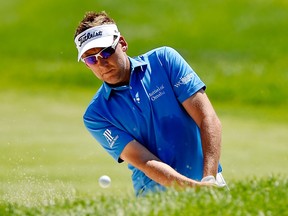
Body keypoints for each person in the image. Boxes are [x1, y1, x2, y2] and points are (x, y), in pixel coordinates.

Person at [74, 11, 227, 196]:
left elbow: (207, 118)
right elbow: (143, 160)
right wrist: (194, 189)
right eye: (91, 59)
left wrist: (209, 180)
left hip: (208, 183)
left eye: (106, 51)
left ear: (122, 43)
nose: (101, 63)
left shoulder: (164, 60)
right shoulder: (96, 115)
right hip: (156, 200)